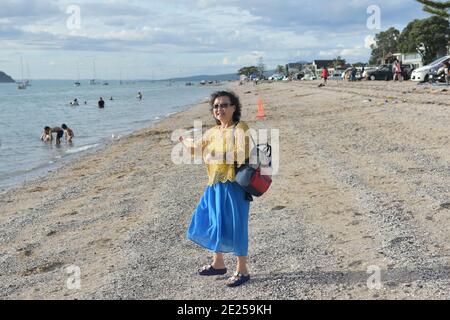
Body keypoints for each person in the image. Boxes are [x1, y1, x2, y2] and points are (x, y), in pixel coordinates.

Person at [180, 90, 252, 288]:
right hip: (213, 184)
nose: (219, 108)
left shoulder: (240, 128)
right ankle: (218, 263)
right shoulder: (213, 132)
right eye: (216, 106)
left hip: (234, 185)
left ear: (233, 108)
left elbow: (241, 154)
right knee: (210, 220)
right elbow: (195, 149)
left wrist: (214, 153)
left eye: (224, 105)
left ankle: (242, 270)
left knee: (237, 226)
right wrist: (184, 141)